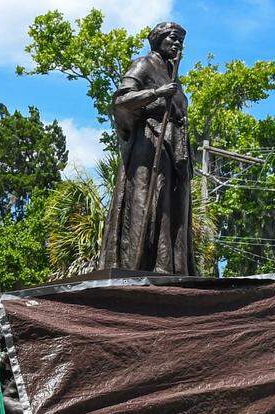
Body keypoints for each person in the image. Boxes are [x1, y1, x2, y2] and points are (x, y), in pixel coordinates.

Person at [99, 21, 195, 275]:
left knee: (173, 207)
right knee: (149, 202)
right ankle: (139, 265)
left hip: (175, 147)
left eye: (181, 40)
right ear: (158, 39)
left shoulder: (173, 74)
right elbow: (121, 100)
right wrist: (156, 93)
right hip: (150, 143)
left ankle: (170, 268)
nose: (177, 43)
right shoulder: (143, 64)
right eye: (172, 38)